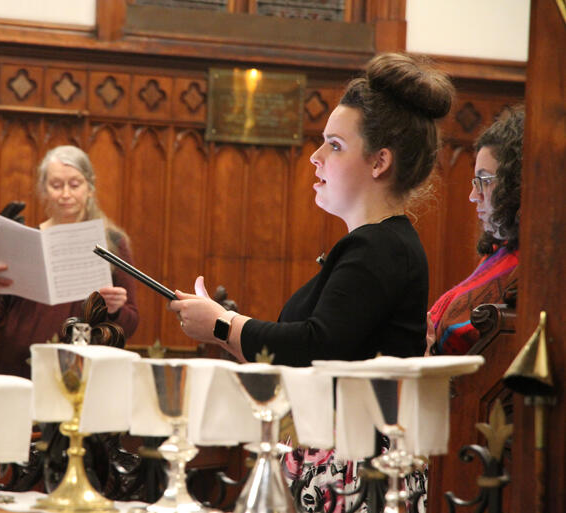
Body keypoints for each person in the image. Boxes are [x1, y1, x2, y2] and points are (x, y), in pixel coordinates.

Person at [170, 53, 454, 367]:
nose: (315, 157)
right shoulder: (379, 243)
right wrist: (222, 323)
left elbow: (316, 348)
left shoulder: (381, 247)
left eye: (335, 145)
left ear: (379, 162)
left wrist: (223, 325)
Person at [0, 145, 139, 377]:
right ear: (43, 190)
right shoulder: (24, 240)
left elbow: (130, 324)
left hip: (80, 368)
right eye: (55, 185)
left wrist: (114, 310)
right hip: (21, 365)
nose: (65, 194)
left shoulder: (111, 243)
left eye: (74, 185)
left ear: (90, 188)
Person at [427, 106, 523, 355]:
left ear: (516, 184)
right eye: (474, 182)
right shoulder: (499, 252)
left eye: (484, 180)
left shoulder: (532, 265)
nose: (473, 196)